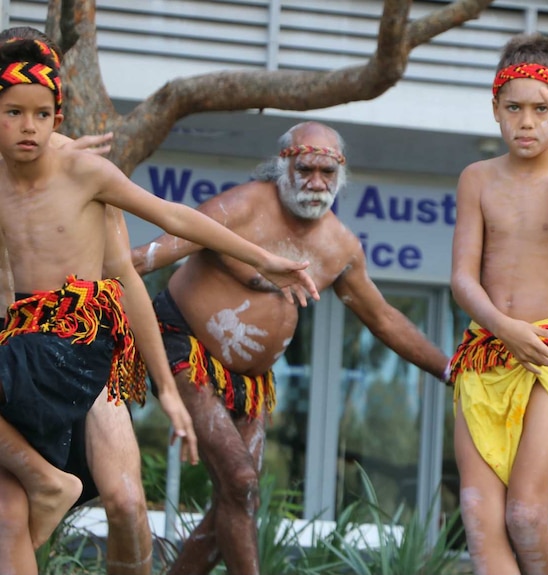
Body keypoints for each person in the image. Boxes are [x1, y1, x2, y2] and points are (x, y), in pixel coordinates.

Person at [0, 36, 318, 575]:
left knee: (125, 504)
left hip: (76, 342)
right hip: (18, 348)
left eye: (42, 114)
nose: (29, 126)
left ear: (58, 116)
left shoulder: (83, 175)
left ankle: (49, 481)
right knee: (9, 521)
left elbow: (174, 219)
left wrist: (263, 259)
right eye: (13, 112)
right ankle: (44, 481)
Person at [130, 120, 451, 575]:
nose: (317, 183)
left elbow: (383, 319)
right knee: (240, 481)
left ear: (342, 176)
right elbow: (152, 255)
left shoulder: (340, 246)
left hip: (254, 382)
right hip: (186, 345)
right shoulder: (239, 207)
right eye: (307, 170)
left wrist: (450, 369)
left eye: (327, 173)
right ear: (283, 165)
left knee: (238, 495)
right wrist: (66, 292)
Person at [447, 33, 548, 575]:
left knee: (526, 515)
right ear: (494, 108)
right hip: (485, 350)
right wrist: (502, 326)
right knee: (476, 513)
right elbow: (463, 278)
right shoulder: (477, 179)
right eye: (513, 108)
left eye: (542, 109)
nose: (527, 122)